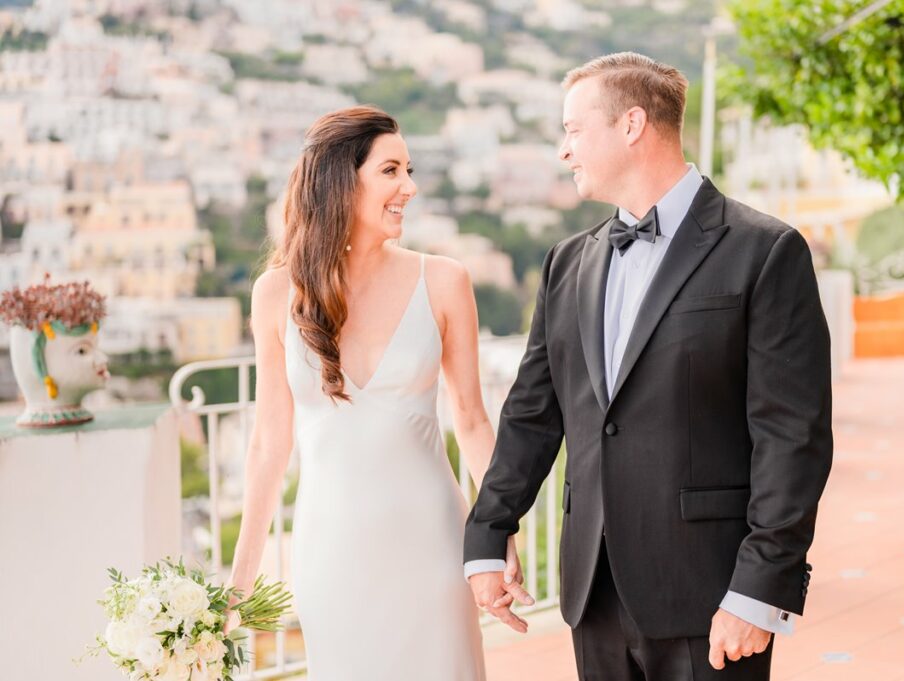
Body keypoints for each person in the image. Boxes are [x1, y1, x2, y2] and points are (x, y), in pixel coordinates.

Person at [464, 52, 833, 681]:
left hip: (711, 595)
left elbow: (792, 436)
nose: (564, 150)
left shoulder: (766, 252)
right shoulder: (565, 264)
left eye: (574, 130)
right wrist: (486, 537)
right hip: (594, 592)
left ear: (631, 124)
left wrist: (759, 589)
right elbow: (532, 413)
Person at [228, 106, 528, 680]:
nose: (409, 188)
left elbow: (470, 419)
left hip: (433, 542)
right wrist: (239, 581)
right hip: (330, 547)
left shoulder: (444, 280)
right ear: (342, 180)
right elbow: (269, 443)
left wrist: (498, 533)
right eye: (391, 171)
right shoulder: (275, 294)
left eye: (409, 170)